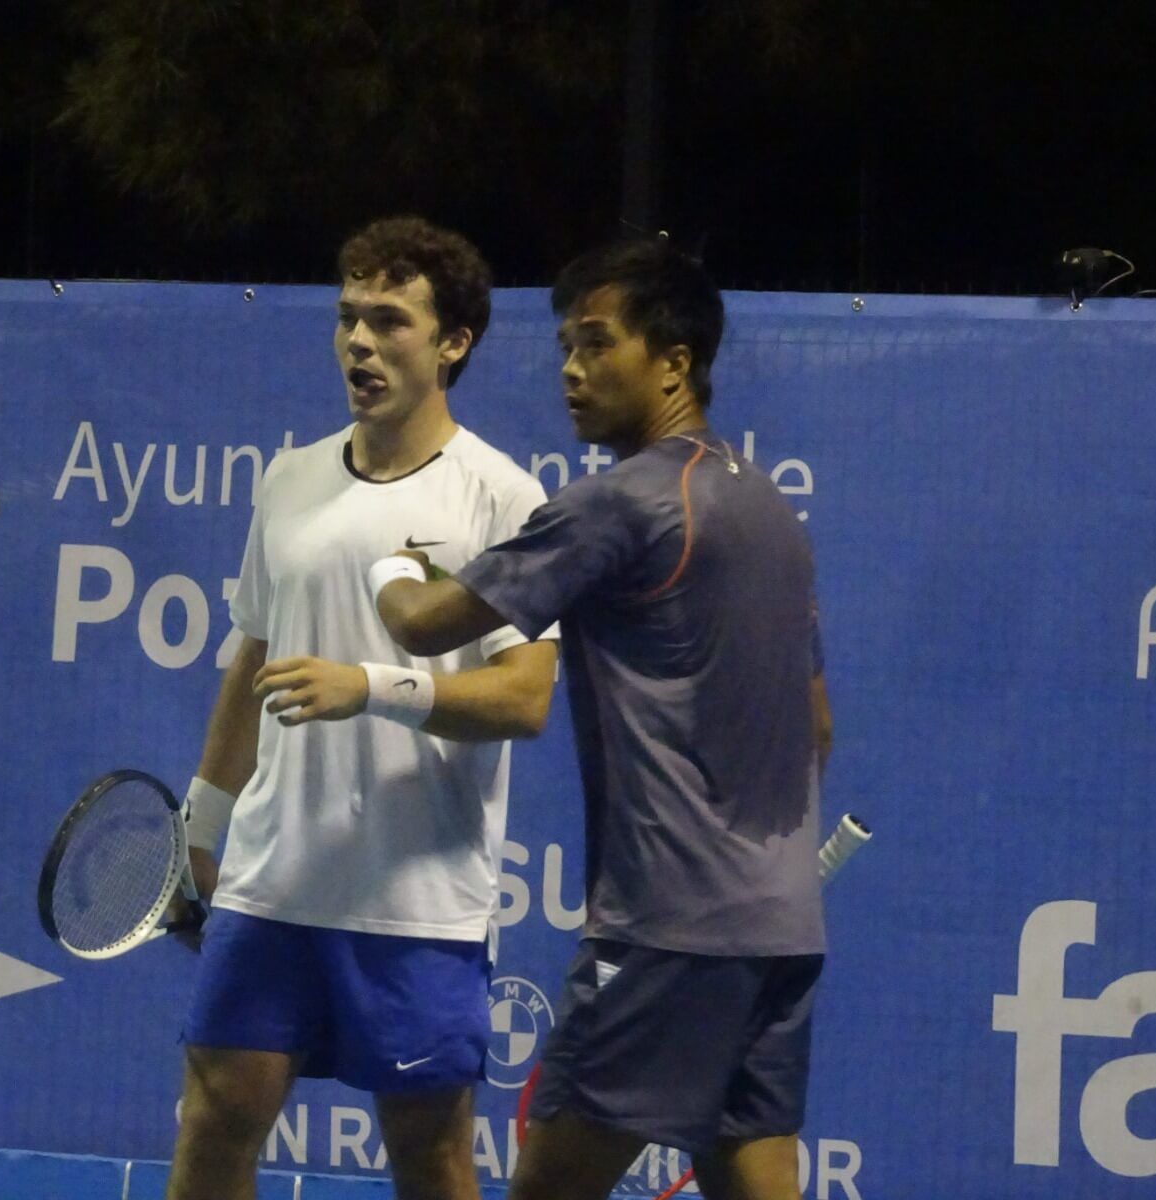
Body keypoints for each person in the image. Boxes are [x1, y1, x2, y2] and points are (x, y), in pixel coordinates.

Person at [372, 238, 832, 1200]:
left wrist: (390, 561)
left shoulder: (622, 503)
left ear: (674, 362)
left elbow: (422, 626)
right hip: (780, 928)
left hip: (666, 935)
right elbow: (816, 729)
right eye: (565, 349)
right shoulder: (770, 513)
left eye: (596, 344)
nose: (572, 372)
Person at [167, 216, 559, 1200]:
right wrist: (202, 826)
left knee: (430, 1161)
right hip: (271, 886)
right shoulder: (289, 481)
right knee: (213, 1125)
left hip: (415, 902)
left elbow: (524, 699)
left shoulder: (503, 500)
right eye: (348, 319)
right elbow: (251, 656)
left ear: (452, 343)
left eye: (389, 322)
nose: (359, 342)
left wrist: (372, 688)